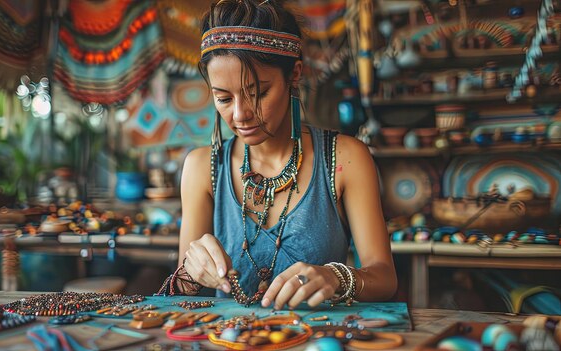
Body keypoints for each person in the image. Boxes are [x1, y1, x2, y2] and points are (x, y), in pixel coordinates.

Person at [159, 0, 396, 309]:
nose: (241, 114)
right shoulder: (202, 168)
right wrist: (191, 270)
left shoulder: (347, 160)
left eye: (257, 93)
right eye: (223, 98)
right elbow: (182, 293)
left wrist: (336, 277)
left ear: (294, 74)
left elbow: (385, 279)